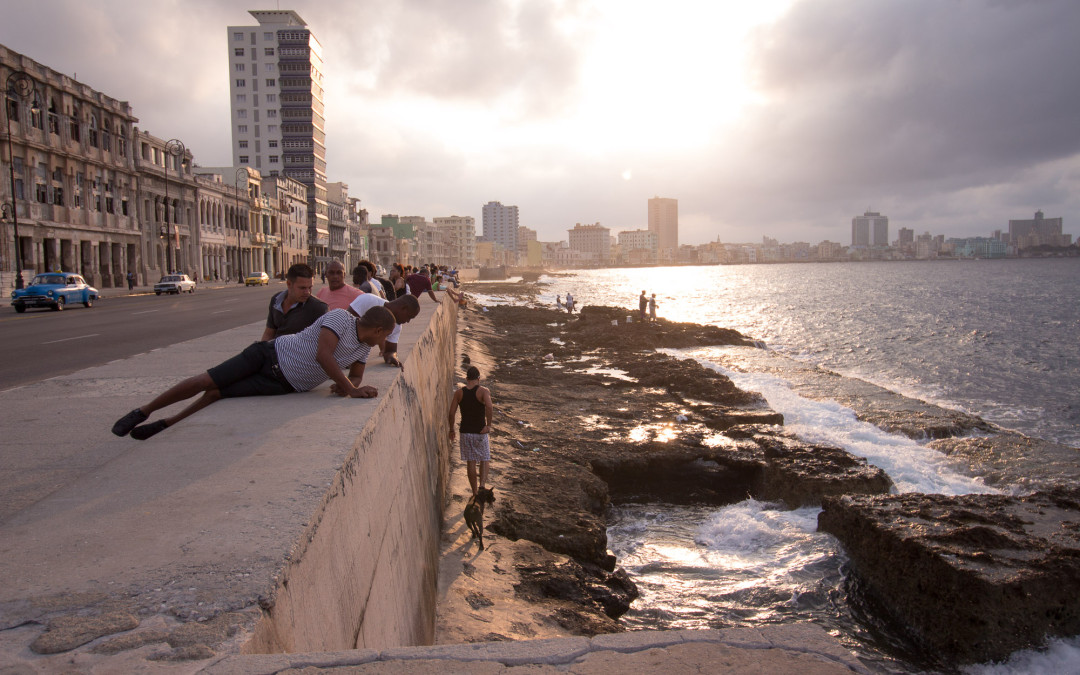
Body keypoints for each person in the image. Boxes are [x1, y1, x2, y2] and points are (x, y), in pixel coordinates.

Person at [111, 306, 397, 441]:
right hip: (267, 356)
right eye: (384, 337)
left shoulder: (363, 347)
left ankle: (167, 424)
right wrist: (350, 389)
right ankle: (144, 411)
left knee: (217, 394)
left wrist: (351, 384)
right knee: (206, 380)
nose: (383, 343)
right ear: (378, 330)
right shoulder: (340, 319)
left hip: (283, 384)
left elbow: (356, 375)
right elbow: (323, 355)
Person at [448, 366, 493, 498]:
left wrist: (451, 429)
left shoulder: (459, 393)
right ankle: (482, 486)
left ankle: (474, 492)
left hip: (465, 432)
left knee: (471, 461)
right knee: (484, 458)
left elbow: (451, 413)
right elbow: (489, 407)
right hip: (480, 432)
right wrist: (488, 425)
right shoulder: (484, 392)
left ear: (467, 379)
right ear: (478, 378)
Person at [348, 292, 421, 369]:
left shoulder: (397, 327)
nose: (408, 321)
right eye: (409, 317)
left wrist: (392, 357)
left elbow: (390, 351)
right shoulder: (368, 300)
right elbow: (347, 324)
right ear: (403, 308)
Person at [261, 264, 328, 341]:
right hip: (275, 350)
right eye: (302, 288)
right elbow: (269, 333)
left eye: (310, 287)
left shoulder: (319, 308)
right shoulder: (276, 300)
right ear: (289, 284)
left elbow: (325, 342)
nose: (307, 292)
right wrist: (262, 351)